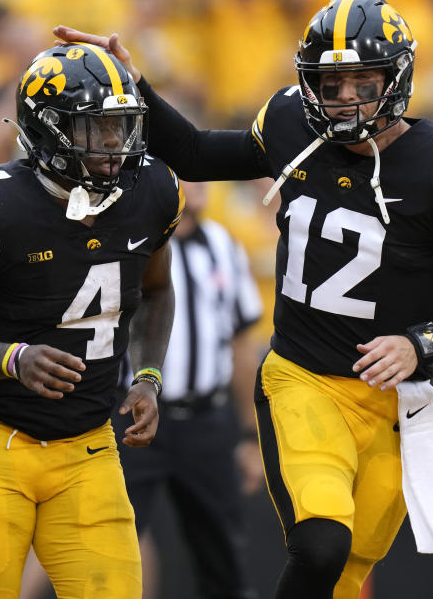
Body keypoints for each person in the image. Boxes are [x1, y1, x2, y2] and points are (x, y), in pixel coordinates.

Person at [56, 0, 433, 598]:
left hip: (392, 397)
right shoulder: (290, 125)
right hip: (302, 380)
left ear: (398, 77)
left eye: (364, 80)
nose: (347, 98)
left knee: (348, 572)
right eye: (332, 84)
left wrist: (420, 343)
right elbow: (195, 154)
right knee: (321, 541)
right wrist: (136, 85)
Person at [0, 43, 184, 598]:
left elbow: (156, 292)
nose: (116, 146)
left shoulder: (151, 191)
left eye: (122, 127)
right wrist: (12, 358)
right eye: (96, 130)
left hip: (88, 445)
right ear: (48, 131)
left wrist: (149, 377)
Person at [116, 180, 264, 599]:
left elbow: (240, 344)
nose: (196, 181)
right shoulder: (130, 239)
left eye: (200, 171)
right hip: (133, 418)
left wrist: (250, 434)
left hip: (206, 420)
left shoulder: (222, 243)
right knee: (114, 543)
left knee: (225, 557)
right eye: (182, 172)